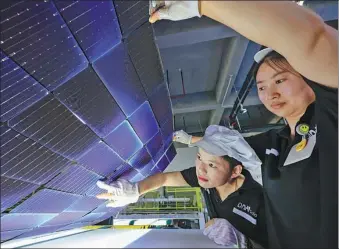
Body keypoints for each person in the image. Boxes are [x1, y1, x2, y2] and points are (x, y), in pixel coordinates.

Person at [148, 1, 338, 248]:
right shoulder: (274, 144)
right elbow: (224, 146)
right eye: (261, 86)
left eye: (280, 80)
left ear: (311, 77)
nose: (271, 93)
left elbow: (314, 39)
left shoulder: (330, 118)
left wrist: (202, 4)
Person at [96, 125, 268, 248]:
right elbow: (164, 179)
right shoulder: (205, 178)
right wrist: (136, 190)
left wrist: (245, 243)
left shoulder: (261, 199)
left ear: (235, 171)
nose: (200, 169)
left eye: (212, 165)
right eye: (199, 158)